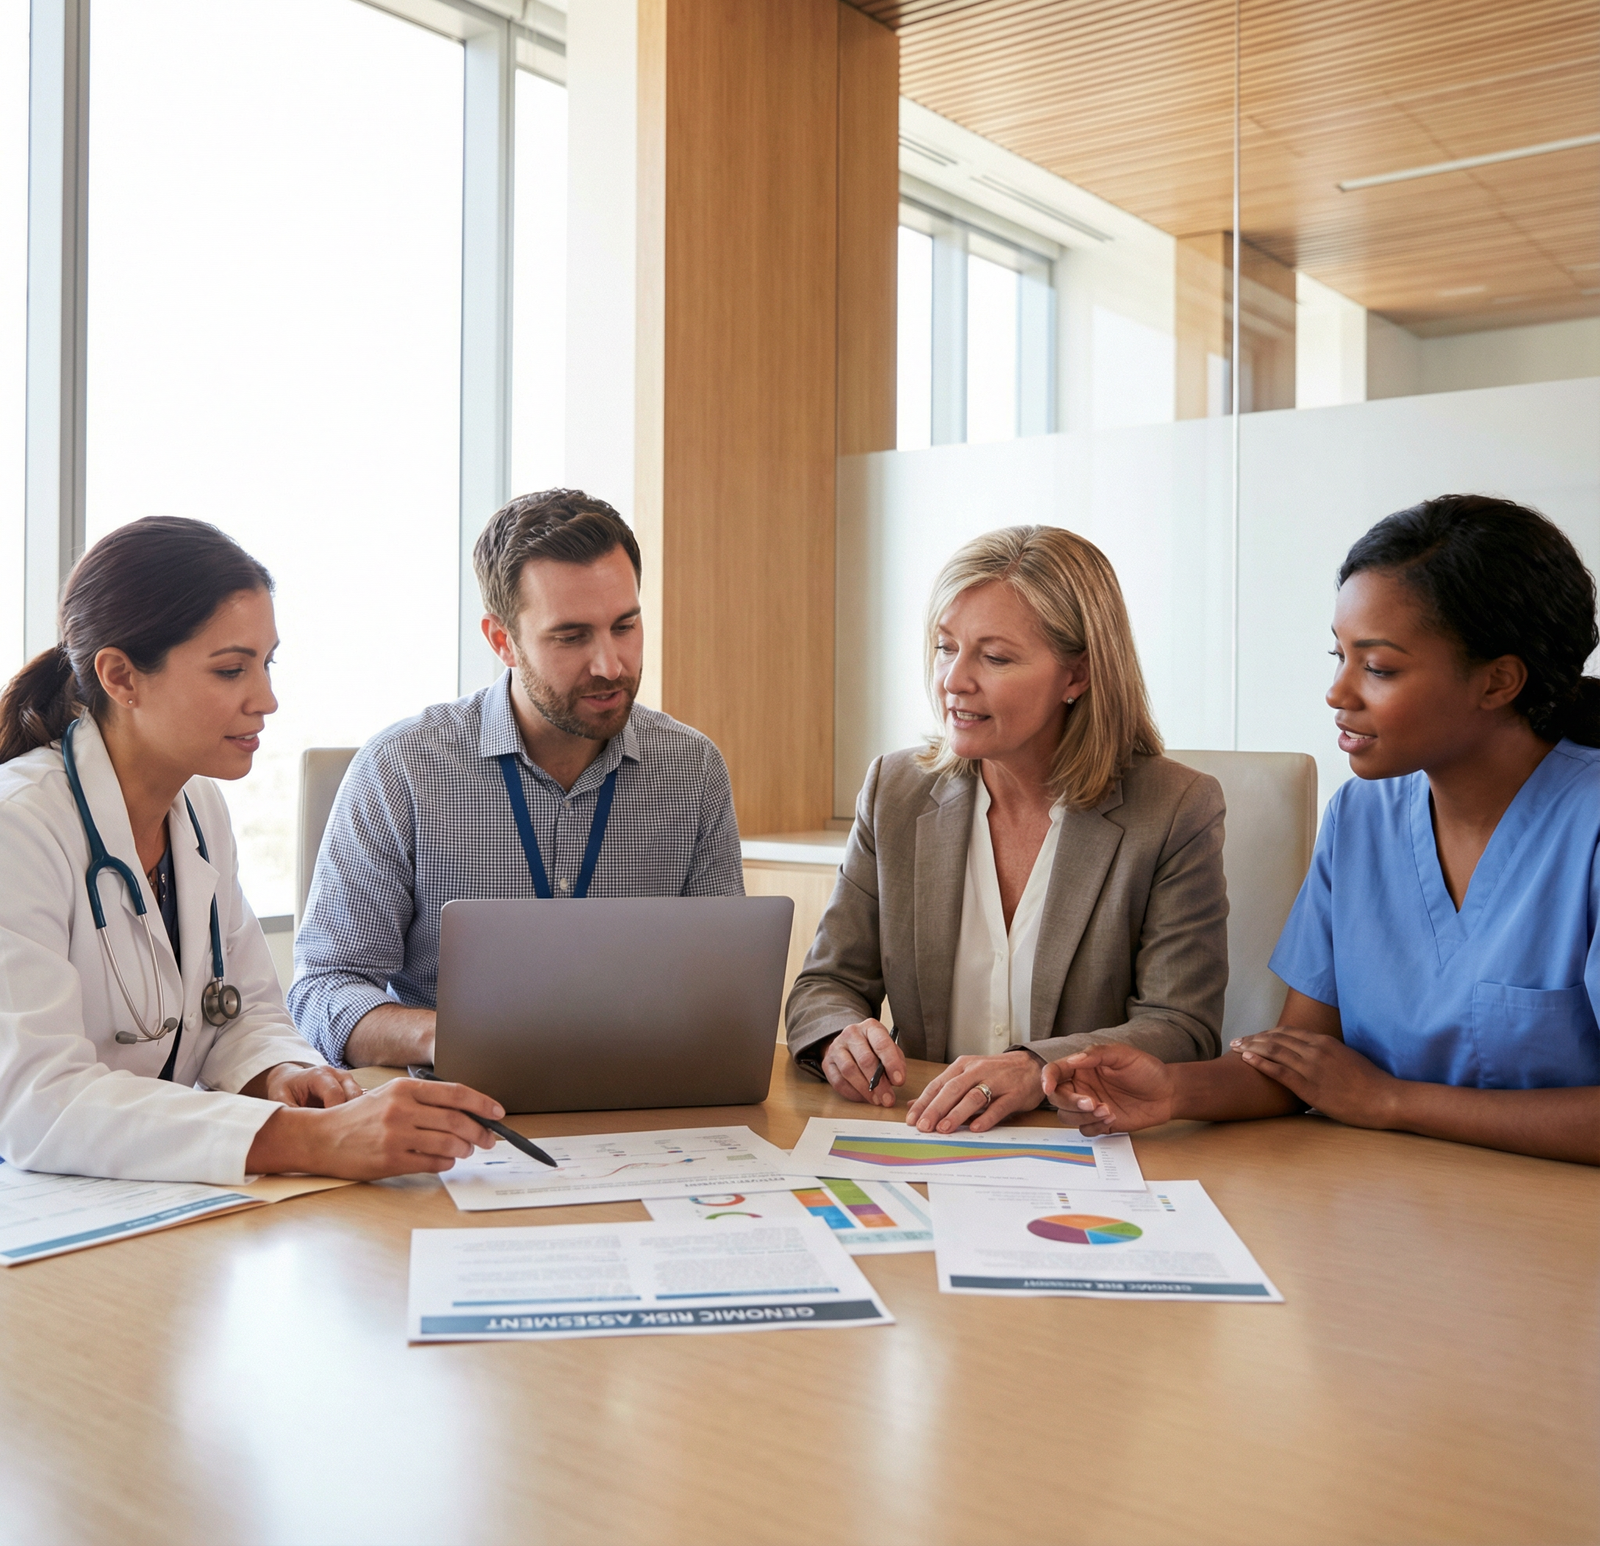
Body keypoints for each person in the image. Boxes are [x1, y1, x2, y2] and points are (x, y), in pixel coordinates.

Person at [1047, 495, 1600, 1167]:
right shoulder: (1360, 817)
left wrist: (1392, 1101)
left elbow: (1359, 1093)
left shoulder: (1588, 825)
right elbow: (1303, 1062)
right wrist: (1171, 1090)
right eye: (1338, 655)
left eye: (1379, 668)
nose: (1338, 693)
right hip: (1375, 1198)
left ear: (1498, 681)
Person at [0, 517, 506, 1184]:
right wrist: (306, 1141)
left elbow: (241, 1011)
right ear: (121, 677)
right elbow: (39, 1102)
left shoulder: (198, 808)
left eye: (266, 664)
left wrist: (281, 1072)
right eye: (231, 670)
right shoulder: (20, 826)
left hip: (150, 1197)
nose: (266, 699)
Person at [785, 524, 1229, 1133]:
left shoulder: (1175, 809)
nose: (953, 680)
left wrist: (1034, 1068)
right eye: (946, 647)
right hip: (928, 1138)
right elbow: (826, 983)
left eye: (993, 657)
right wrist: (841, 1035)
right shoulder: (895, 790)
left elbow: (1182, 1028)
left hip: (1081, 1145)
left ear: (1077, 676)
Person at [290, 489, 744, 1069]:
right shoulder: (402, 769)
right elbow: (324, 989)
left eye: (625, 625)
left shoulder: (692, 770)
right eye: (571, 636)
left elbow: (724, 987)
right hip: (460, 1099)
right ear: (501, 640)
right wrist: (456, 1037)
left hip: (641, 1091)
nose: (610, 665)